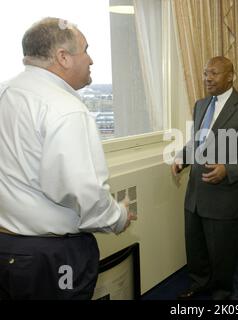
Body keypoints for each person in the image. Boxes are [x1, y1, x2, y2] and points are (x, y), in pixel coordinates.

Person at [0, 18, 136, 300]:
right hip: (51, 257)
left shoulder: (6, 93)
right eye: (85, 50)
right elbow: (84, 192)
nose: (91, 59)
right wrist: (119, 217)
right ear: (63, 57)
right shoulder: (65, 108)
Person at [171, 56, 238, 300]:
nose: (207, 78)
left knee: (222, 252)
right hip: (195, 193)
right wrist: (182, 158)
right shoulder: (201, 104)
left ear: (230, 76)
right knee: (196, 247)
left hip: (225, 196)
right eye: (205, 73)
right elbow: (197, 141)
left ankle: (221, 293)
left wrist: (228, 169)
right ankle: (199, 283)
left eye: (213, 73)